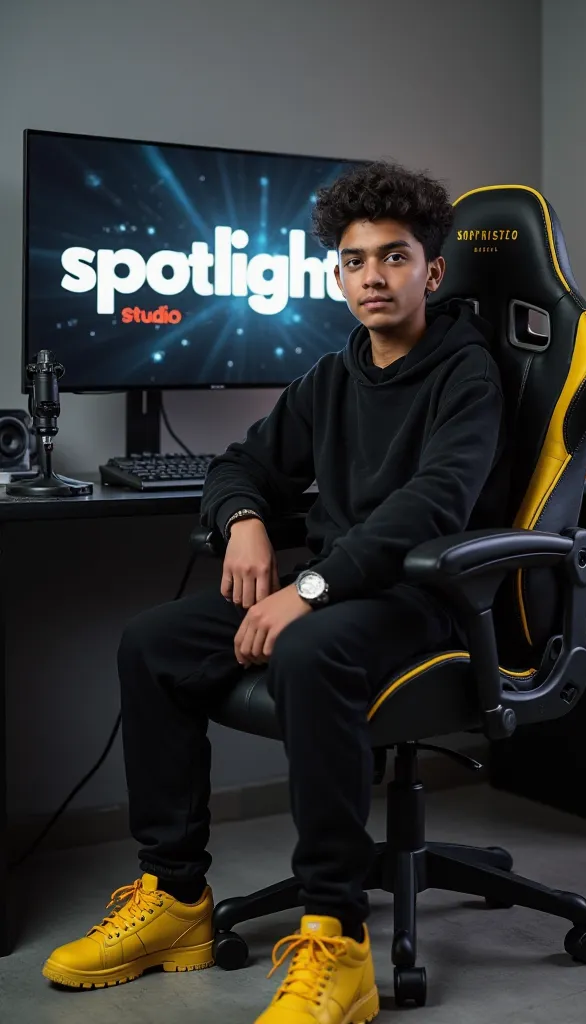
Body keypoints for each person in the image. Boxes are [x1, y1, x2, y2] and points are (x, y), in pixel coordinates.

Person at [42, 161, 506, 1023]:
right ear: (336, 275)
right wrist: (246, 520)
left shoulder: (468, 377)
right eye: (355, 260)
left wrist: (313, 587)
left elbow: (431, 506)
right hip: (337, 595)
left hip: (423, 603)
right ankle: (176, 900)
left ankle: (337, 939)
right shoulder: (334, 377)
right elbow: (238, 465)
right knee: (154, 642)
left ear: (432, 273)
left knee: (308, 641)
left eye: (395, 257)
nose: (373, 275)